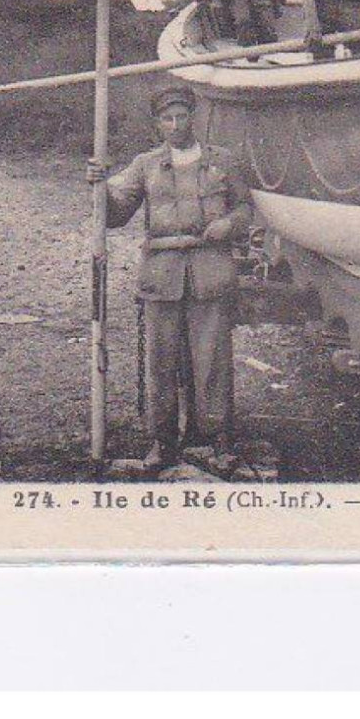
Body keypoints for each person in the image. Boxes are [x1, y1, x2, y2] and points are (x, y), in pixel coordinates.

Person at [86, 84, 253, 474]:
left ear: (194, 117)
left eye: (182, 116)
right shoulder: (145, 165)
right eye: (167, 119)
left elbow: (246, 207)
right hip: (162, 276)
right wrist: (99, 186)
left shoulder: (223, 161)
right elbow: (114, 213)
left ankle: (217, 441)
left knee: (212, 360)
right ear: (158, 124)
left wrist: (228, 224)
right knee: (161, 364)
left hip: (211, 273)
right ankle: (162, 442)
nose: (176, 125)